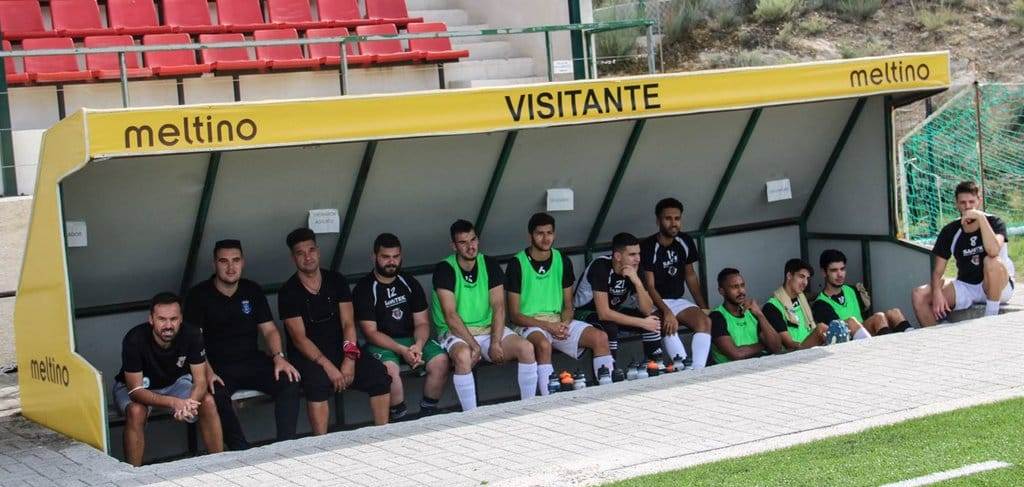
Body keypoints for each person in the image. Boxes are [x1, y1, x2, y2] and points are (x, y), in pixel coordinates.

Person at [183, 239, 301, 451]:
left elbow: (270, 329)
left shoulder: (251, 290)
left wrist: (279, 357)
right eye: (224, 261)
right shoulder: (198, 295)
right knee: (215, 394)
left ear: (243, 262)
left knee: (289, 380)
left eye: (235, 260)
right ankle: (241, 451)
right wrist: (207, 373)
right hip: (218, 367)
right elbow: (193, 341)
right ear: (214, 264)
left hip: (251, 361)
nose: (230, 267)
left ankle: (286, 447)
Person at [277, 228, 391, 435]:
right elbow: (299, 339)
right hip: (309, 356)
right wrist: (329, 367)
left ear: (318, 252)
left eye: (311, 250)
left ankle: (383, 434)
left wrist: (350, 359)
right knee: (317, 384)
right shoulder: (288, 291)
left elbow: (349, 324)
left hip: (341, 348)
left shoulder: (336, 280)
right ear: (293, 257)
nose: (307, 257)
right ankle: (321, 443)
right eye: (301, 253)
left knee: (378, 374)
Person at [431, 219, 537, 411]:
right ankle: (472, 416)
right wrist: (474, 345)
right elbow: (450, 316)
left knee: (526, 348)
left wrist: (495, 342)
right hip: (457, 333)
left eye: (473, 240)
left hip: (488, 330)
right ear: (453, 246)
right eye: (463, 243)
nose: (470, 247)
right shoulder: (444, 269)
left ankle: (528, 408)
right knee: (463, 356)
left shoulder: (489, 263)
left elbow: (498, 306)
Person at [506, 213, 613, 393]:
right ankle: (549, 397)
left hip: (557, 321)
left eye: (549, 233)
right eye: (540, 233)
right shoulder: (517, 263)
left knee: (600, 337)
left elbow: (568, 305)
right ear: (530, 236)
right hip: (529, 324)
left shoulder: (562, 260)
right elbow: (515, 315)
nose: (546, 238)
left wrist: (563, 323)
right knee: (543, 345)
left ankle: (608, 391)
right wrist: (548, 326)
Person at [113, 292, 223, 466]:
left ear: (180, 319)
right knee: (136, 411)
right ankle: (133, 474)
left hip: (175, 383)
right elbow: (135, 391)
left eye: (173, 319)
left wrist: (188, 404)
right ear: (151, 320)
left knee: (207, 401)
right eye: (162, 319)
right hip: (136, 389)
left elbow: (201, 381)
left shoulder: (192, 334)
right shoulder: (135, 338)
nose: (168, 325)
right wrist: (174, 403)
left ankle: (220, 465)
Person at [353, 233, 450, 420]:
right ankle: (400, 417)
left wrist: (419, 345)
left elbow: (422, 322)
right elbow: (370, 333)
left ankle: (428, 411)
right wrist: (401, 349)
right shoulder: (365, 288)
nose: (391, 262)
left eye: (396, 257)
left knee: (441, 360)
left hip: (411, 338)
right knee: (389, 370)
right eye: (385, 257)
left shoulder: (409, 282)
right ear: (374, 257)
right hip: (381, 342)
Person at [912, 181, 1016, 326]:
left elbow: (993, 251)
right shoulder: (950, 230)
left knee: (991, 261)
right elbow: (938, 271)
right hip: (967, 285)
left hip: (997, 286)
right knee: (919, 295)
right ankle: (940, 337)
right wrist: (937, 293)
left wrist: (981, 218)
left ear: (979, 201)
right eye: (963, 203)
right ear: (956, 204)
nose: (968, 207)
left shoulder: (995, 222)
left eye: (971, 202)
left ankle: (991, 317)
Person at [574, 232, 683, 363]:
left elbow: (647, 310)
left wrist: (637, 281)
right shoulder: (600, 266)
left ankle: (655, 364)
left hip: (613, 311)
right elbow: (603, 313)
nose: (638, 259)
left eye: (638, 254)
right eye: (632, 255)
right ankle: (610, 371)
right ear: (618, 256)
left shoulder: (635, 269)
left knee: (654, 318)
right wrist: (642, 323)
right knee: (610, 326)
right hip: (584, 313)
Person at [640, 198, 713, 368]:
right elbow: (649, 286)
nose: (673, 223)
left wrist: (703, 307)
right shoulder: (649, 247)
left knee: (705, 321)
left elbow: (691, 276)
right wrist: (667, 312)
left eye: (677, 218)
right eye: (668, 218)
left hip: (677, 300)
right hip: (652, 301)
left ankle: (698, 369)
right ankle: (684, 369)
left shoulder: (685, 241)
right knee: (667, 324)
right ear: (658, 221)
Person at [762, 258, 870, 351]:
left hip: (814, 345)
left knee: (850, 321)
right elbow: (789, 344)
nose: (805, 282)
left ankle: (871, 349)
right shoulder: (772, 307)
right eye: (801, 277)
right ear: (789, 275)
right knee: (821, 328)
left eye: (807, 278)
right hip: (796, 351)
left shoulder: (801, 298)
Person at [813, 249, 912, 336]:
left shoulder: (852, 290)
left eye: (842, 269)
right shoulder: (820, 304)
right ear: (824, 272)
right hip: (850, 340)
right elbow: (839, 333)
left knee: (894, 312)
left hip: (865, 333)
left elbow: (865, 317)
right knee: (879, 317)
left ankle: (914, 341)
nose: (840, 274)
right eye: (834, 270)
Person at [709, 268, 783, 364]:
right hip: (732, 374)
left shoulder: (752, 312)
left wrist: (760, 315)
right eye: (734, 287)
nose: (741, 291)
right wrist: (764, 345)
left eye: (742, 285)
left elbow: (776, 347)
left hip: (760, 367)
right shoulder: (717, 317)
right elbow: (736, 354)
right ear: (721, 291)